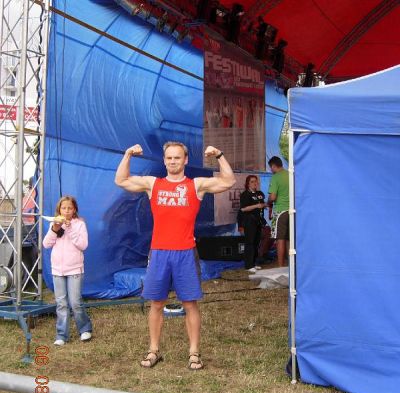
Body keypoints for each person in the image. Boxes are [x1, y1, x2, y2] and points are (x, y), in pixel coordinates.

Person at [115, 141, 235, 370]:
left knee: (190, 303)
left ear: (185, 160)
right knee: (156, 303)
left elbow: (228, 181)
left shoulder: (196, 185)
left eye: (177, 157)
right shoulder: (153, 184)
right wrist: (128, 154)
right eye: (169, 158)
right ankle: (153, 350)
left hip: (185, 253)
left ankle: (194, 353)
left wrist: (219, 155)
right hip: (159, 252)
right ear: (164, 160)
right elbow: (121, 180)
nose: (173, 161)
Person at [43, 195, 92, 346]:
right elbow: (46, 244)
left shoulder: (80, 224)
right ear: (59, 210)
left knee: (75, 302)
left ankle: (85, 329)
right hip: (57, 270)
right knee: (61, 303)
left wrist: (69, 228)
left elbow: (83, 245)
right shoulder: (54, 224)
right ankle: (61, 335)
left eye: (70, 208)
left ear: (74, 209)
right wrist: (54, 229)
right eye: (63, 208)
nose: (66, 211)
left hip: (75, 269)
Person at [240, 175, 268, 272]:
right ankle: (248, 265)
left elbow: (262, 204)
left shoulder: (260, 193)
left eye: (256, 181)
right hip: (249, 221)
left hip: (258, 221)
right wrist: (256, 206)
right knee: (250, 243)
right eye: (252, 181)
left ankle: (253, 263)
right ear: (248, 184)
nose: (255, 183)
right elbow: (243, 209)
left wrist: (264, 205)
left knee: (256, 242)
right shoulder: (245, 195)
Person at [267, 156, 289, 266]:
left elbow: (273, 197)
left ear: (273, 166)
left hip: (280, 211)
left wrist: (268, 202)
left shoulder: (275, 177)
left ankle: (280, 266)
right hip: (292, 211)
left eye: (270, 167)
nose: (271, 170)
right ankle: (291, 265)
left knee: (280, 239)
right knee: (290, 238)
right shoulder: (290, 174)